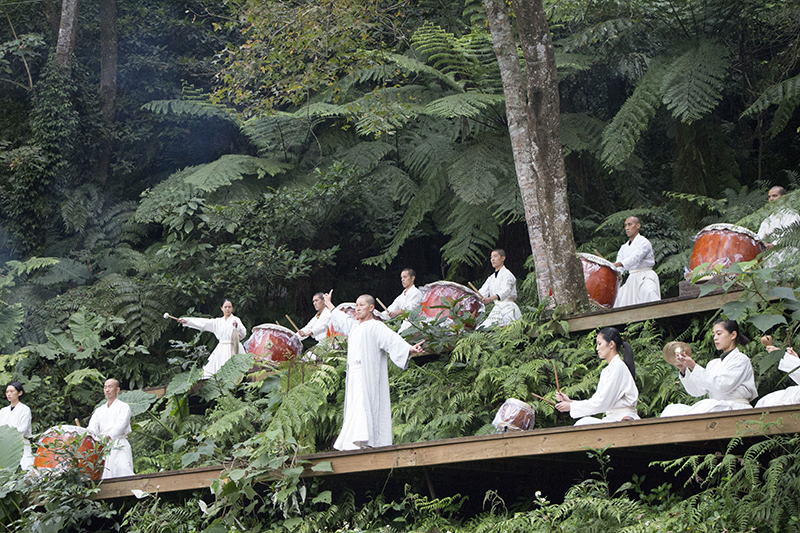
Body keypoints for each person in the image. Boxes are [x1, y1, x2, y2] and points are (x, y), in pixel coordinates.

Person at [324, 290, 424, 450]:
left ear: (371, 308)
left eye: (361, 305)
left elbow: (393, 340)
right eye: (356, 305)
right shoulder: (354, 327)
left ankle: (367, 440)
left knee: (364, 403)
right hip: (354, 372)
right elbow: (341, 318)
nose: (357, 308)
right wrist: (328, 303)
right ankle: (352, 442)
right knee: (354, 404)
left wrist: (410, 349)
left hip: (367, 372)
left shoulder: (376, 326)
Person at [661, 320, 757, 417]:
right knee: (672, 409)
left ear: (733, 335)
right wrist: (684, 369)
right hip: (716, 407)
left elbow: (723, 385)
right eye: (714, 334)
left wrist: (693, 366)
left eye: (719, 334)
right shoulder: (713, 364)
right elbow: (697, 391)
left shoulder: (741, 359)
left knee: (707, 404)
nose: (715, 338)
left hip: (735, 408)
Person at [555, 328, 639, 425]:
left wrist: (571, 406)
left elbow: (602, 402)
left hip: (623, 420)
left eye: (599, 344)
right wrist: (571, 402)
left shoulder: (618, 367)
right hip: (612, 419)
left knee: (583, 423)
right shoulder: (607, 370)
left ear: (611, 344)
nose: (597, 348)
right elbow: (597, 400)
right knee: (583, 423)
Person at [179, 299, 246, 379]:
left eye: (229, 307)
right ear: (221, 308)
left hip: (234, 347)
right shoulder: (217, 322)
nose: (227, 309)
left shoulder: (236, 320)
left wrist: (237, 326)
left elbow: (243, 334)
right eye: (225, 307)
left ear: (232, 308)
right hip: (222, 348)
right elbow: (204, 323)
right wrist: (186, 321)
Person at [87, 378, 134, 479]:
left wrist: (109, 437)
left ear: (117, 390)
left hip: (118, 443)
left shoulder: (124, 407)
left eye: (110, 387)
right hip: (102, 446)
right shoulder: (99, 410)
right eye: (105, 387)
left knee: (123, 468)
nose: (107, 390)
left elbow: (121, 425)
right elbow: (92, 427)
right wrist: (90, 436)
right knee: (104, 474)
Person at [613, 217, 661, 308]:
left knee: (649, 292)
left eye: (630, 224)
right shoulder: (623, 247)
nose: (627, 228)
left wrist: (618, 264)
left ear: (638, 226)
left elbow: (635, 258)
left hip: (645, 276)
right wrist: (611, 269)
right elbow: (619, 269)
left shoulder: (644, 242)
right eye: (625, 225)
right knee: (618, 299)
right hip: (631, 279)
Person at [477, 249, 521, 328]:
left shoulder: (508, 275)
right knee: (485, 328)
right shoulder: (491, 278)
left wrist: (490, 299)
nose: (492, 259)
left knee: (509, 329)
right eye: (491, 257)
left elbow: (505, 291)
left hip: (508, 308)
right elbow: (482, 292)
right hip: (497, 309)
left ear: (503, 258)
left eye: (495, 256)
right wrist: (481, 298)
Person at [757, 186, 800, 266]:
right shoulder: (767, 220)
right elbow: (759, 238)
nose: (771, 199)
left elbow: (790, 234)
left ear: (783, 198)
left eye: (774, 196)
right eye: (769, 197)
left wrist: (774, 244)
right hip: (770, 259)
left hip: (788, 258)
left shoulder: (792, 215)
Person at [0, 381, 34, 470]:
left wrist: (11, 437)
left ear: (20, 393)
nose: (9, 394)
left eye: (12, 391)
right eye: (7, 392)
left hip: (21, 443)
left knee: (26, 468)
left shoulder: (25, 409)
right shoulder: (3, 411)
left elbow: (23, 429)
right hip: (4, 445)